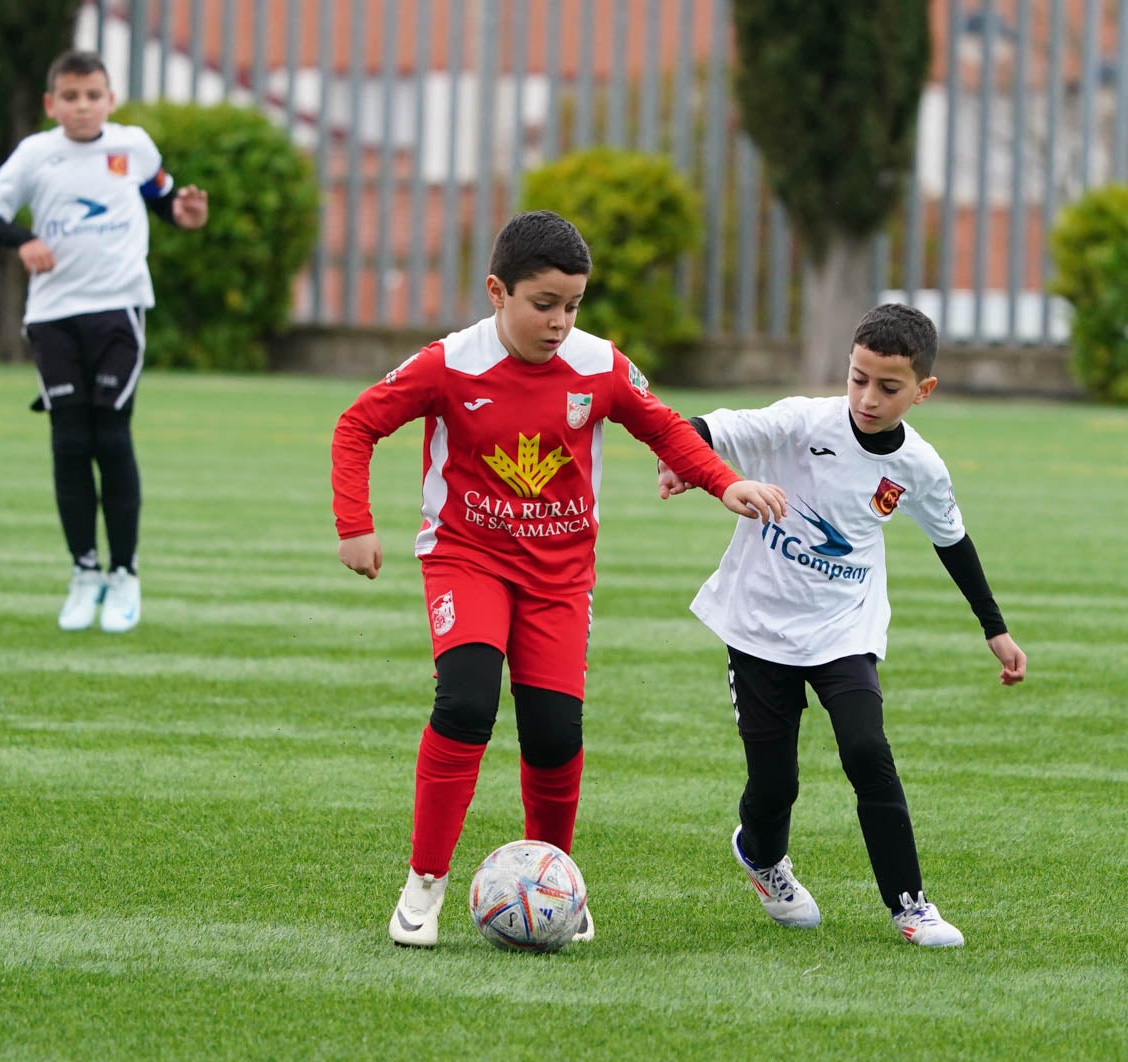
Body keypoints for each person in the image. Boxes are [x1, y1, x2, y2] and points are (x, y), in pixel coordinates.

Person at [332, 210, 788, 949]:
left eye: (572, 305)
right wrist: (355, 521)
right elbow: (356, 426)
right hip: (467, 559)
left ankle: (556, 881)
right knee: (468, 703)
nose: (559, 321)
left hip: (559, 577)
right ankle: (424, 884)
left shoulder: (600, 365)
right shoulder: (449, 363)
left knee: (554, 731)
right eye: (543, 304)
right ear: (496, 291)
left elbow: (665, 427)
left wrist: (723, 483)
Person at [658, 302, 1027, 948]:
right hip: (758, 627)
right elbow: (708, 427)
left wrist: (993, 627)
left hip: (843, 631)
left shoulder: (919, 466)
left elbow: (954, 540)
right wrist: (681, 459)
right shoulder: (804, 421)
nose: (867, 396)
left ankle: (910, 904)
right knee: (775, 783)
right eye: (858, 378)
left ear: (923, 390)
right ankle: (762, 857)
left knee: (866, 749)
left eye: (888, 387)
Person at [0, 49, 209, 633]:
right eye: (70, 97)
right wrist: (23, 239)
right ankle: (84, 572)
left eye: (93, 95)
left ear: (110, 99)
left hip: (118, 311)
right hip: (53, 314)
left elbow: (163, 197)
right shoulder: (36, 154)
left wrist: (185, 214)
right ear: (52, 104)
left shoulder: (132, 148)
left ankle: (124, 574)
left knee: (112, 436)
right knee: (69, 441)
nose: (82, 106)